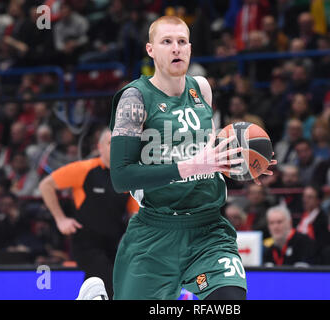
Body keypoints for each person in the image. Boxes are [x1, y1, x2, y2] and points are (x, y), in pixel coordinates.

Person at [106, 15, 276, 300]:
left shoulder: (202, 88)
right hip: (155, 232)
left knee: (229, 302)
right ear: (151, 50)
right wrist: (192, 166)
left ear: (190, 48)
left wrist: (243, 162)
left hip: (208, 228)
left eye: (182, 42)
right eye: (167, 42)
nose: (176, 49)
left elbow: (210, 156)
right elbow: (121, 177)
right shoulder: (135, 98)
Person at [39, 128, 130, 299]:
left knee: (100, 288)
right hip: (87, 243)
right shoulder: (85, 169)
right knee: (110, 283)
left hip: (115, 245)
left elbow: (134, 214)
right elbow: (46, 185)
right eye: (110, 143)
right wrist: (60, 219)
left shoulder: (127, 177)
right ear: (100, 147)